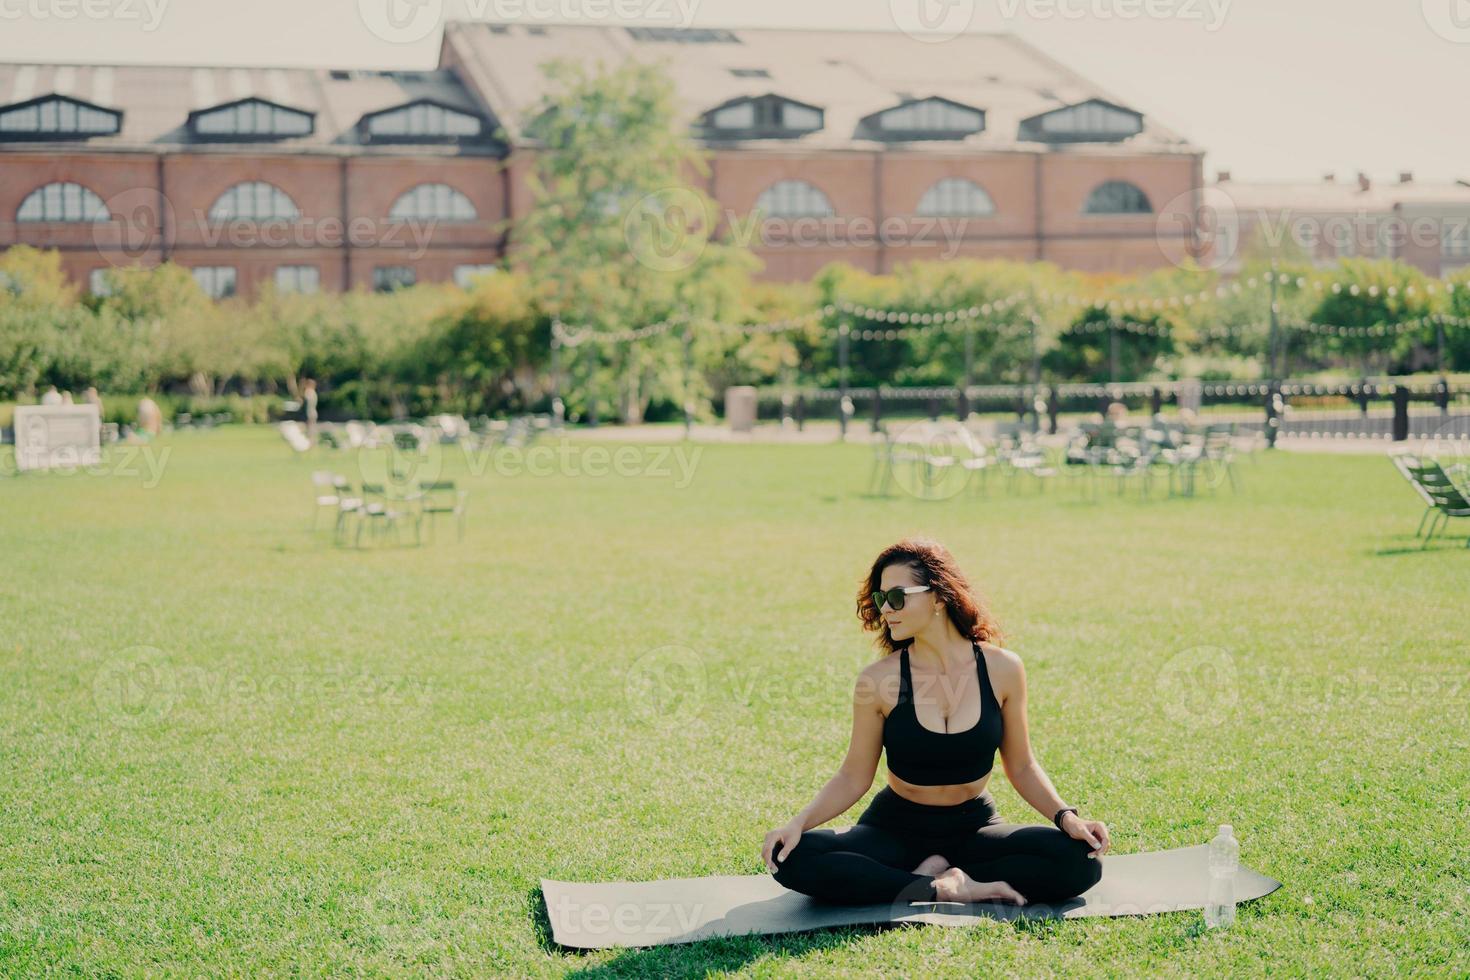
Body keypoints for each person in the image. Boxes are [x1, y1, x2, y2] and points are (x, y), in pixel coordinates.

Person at [762, 537, 1109, 907]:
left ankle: (922, 879)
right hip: (895, 829)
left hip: (974, 828)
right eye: (881, 599)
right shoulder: (879, 680)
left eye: (897, 597)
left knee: (1080, 862)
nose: (886, 610)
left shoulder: (1004, 668)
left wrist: (1066, 818)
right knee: (791, 858)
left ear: (939, 596)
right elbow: (853, 775)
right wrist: (798, 823)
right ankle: (939, 887)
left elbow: (1022, 765)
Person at [302, 378, 319, 445]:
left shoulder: (309, 392)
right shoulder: (314, 392)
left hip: (310, 412)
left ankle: (311, 441)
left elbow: (305, 400)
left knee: (310, 428)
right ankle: (312, 441)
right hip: (313, 412)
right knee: (311, 427)